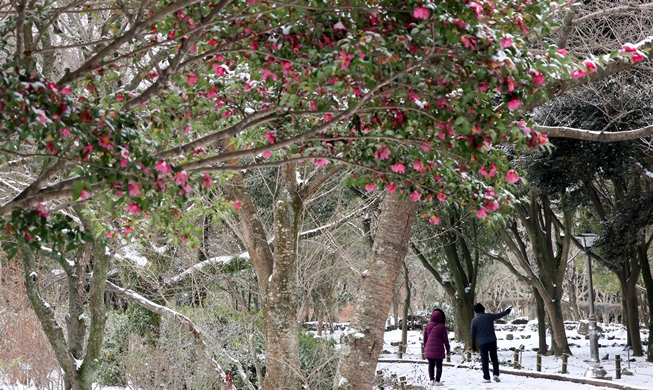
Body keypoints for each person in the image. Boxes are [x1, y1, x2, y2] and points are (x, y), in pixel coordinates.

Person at [470, 303, 511, 383]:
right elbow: (498, 315)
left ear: (476, 311)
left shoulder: (474, 321)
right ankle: (496, 374)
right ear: (483, 309)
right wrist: (507, 312)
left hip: (482, 343)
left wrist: (473, 344)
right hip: (492, 340)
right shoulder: (489, 316)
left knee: (484, 360)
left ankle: (486, 377)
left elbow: (473, 334)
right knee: (494, 358)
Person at [423, 308, 450, 386]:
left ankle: (431, 380)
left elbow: (425, 339)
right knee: (439, 365)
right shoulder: (442, 326)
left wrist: (426, 348)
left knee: (431, 365)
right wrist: (448, 348)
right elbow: (445, 339)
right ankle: (437, 381)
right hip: (438, 349)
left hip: (429, 348)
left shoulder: (427, 326)